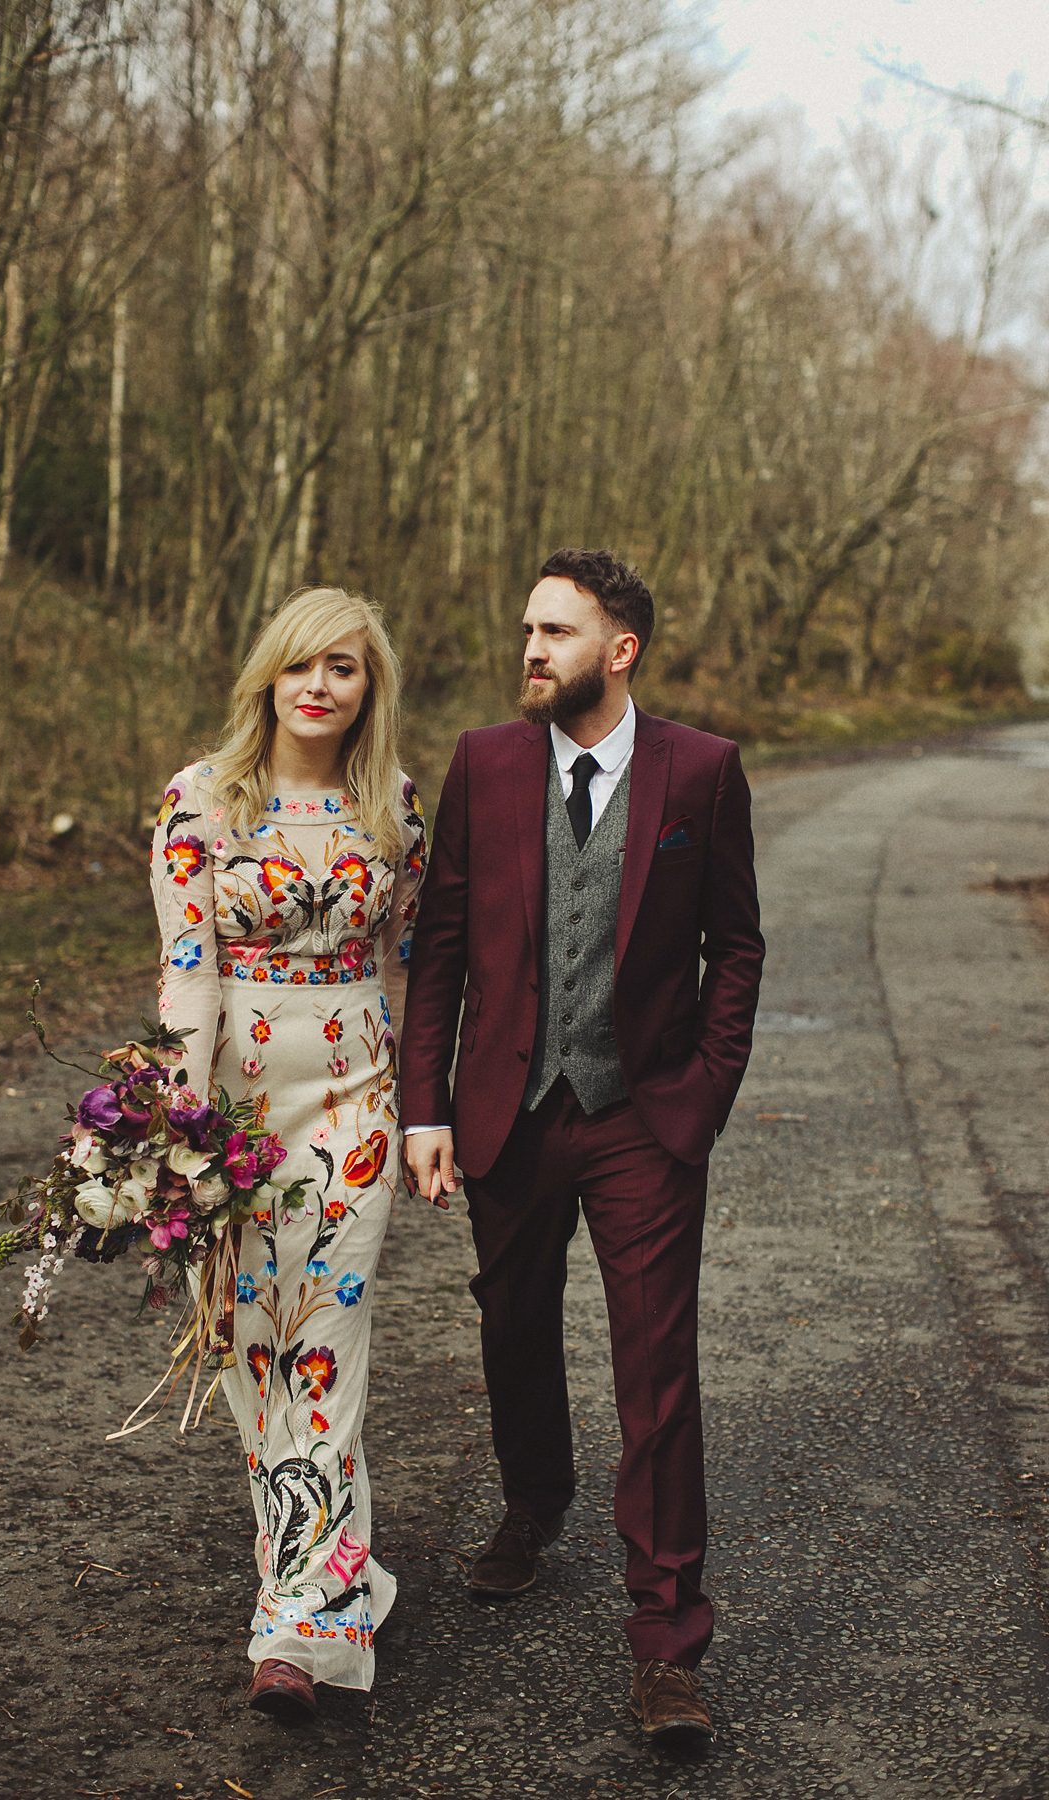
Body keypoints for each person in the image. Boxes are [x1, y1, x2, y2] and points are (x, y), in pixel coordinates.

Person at [399, 548, 763, 1745]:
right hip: (507, 1105)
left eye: (555, 633)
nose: (531, 652)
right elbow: (441, 942)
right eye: (526, 631)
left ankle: (667, 1642)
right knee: (513, 1322)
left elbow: (737, 947)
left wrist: (699, 1097)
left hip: (639, 1118)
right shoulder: (486, 763)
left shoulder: (702, 772)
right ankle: (534, 1503)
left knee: (656, 1370)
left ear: (621, 651)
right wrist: (426, 1109)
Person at [151, 587, 426, 1722]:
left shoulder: (395, 809)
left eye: (345, 669)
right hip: (239, 1113)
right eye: (302, 664)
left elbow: (413, 959)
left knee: (326, 1334)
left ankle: (298, 1624)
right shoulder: (198, 803)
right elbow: (188, 973)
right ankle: (339, 1570)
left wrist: (427, 1114)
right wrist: (180, 1125)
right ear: (268, 674)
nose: (320, 685)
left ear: (371, 688)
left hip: (355, 1101)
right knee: (249, 1350)